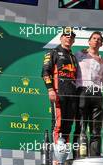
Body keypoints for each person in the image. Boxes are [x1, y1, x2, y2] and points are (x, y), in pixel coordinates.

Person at [41, 27, 80, 157]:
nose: (69, 38)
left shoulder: (73, 57)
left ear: (74, 40)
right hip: (59, 93)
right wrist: (50, 89)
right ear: (61, 38)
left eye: (71, 36)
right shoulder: (53, 52)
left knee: (68, 126)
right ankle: (56, 157)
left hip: (72, 95)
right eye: (66, 35)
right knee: (58, 125)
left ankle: (65, 155)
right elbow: (45, 72)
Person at [75, 31, 103, 156]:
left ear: (102, 44)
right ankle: (77, 158)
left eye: (99, 39)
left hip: (97, 93)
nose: (96, 41)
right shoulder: (79, 54)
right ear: (89, 41)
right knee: (80, 128)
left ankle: (94, 158)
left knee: (95, 130)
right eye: (94, 38)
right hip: (82, 91)